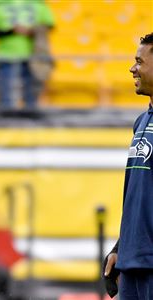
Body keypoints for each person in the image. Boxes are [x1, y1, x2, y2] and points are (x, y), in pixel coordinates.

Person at [104, 32, 153, 299]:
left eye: (139, 61)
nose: (132, 68)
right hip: (134, 264)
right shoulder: (142, 121)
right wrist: (121, 247)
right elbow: (139, 195)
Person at [0, 0, 55, 109]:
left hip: (32, 57)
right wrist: (11, 31)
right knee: (5, 98)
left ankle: (30, 123)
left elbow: (50, 24)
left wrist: (33, 30)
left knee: (31, 99)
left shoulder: (39, 2)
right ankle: (6, 123)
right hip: (6, 56)